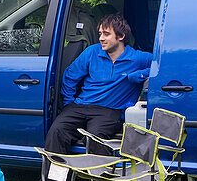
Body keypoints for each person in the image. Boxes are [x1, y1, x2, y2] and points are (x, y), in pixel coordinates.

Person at [44, 12, 152, 160]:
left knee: (95, 138)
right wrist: (69, 104)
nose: (101, 38)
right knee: (57, 131)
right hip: (80, 106)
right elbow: (69, 76)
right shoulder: (92, 52)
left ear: (121, 37)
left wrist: (138, 75)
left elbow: (164, 65)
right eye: (100, 33)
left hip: (109, 111)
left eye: (106, 34)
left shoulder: (139, 58)